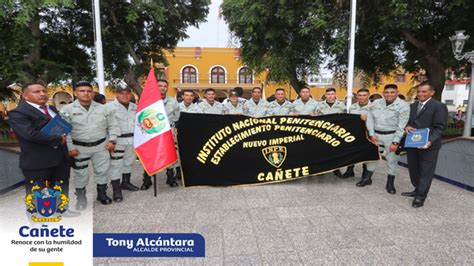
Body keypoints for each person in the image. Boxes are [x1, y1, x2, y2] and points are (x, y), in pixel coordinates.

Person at [9, 83, 78, 216]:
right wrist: (57, 139)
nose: (42, 94)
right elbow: (29, 134)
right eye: (36, 92)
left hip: (60, 158)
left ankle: (62, 209)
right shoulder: (18, 113)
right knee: (37, 191)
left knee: (61, 185)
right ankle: (38, 219)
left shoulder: (51, 108)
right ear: (25, 95)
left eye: (44, 91)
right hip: (38, 162)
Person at [61, 81, 120, 209]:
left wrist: (112, 141)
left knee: (102, 171)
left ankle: (102, 194)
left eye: (89, 91)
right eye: (82, 91)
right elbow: (65, 132)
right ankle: (81, 198)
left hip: (101, 147)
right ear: (76, 93)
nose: (86, 93)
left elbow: (113, 125)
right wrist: (70, 148)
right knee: (80, 173)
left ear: (93, 93)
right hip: (79, 148)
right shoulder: (67, 110)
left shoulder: (104, 108)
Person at [403, 81, 448, 208]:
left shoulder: (438, 106)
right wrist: (407, 127)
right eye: (418, 91)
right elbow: (410, 122)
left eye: (424, 91)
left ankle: (421, 197)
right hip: (413, 143)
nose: (420, 94)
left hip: (429, 145)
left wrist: (430, 141)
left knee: (426, 171)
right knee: (414, 169)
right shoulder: (413, 106)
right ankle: (417, 189)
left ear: (432, 93)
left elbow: (440, 128)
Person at [360, 84, 410, 194]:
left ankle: (390, 183)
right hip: (376, 135)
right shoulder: (376, 103)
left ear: (397, 92)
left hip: (391, 136)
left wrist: (396, 141)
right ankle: (367, 178)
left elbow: (401, 126)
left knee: (392, 160)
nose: (389, 94)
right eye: (387, 92)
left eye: (392, 92)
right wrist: (371, 134)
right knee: (372, 157)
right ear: (383, 93)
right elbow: (370, 119)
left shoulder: (403, 106)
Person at [104, 86, 140, 202]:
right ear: (117, 94)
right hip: (117, 141)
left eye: (127, 93)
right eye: (122, 93)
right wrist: (109, 141)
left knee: (128, 162)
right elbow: (104, 126)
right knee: (116, 165)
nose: (125, 95)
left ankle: (126, 182)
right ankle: (116, 189)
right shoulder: (108, 108)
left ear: (131, 94)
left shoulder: (135, 107)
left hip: (132, 139)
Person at [342, 88, 371, 178]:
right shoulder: (352, 107)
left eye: (364, 95)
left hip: (368, 133)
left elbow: (379, 120)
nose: (362, 97)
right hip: (354, 133)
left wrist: (368, 118)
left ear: (368, 96)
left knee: (366, 153)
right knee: (351, 152)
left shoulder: (374, 107)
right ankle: (350, 170)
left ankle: (365, 173)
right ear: (357, 96)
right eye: (360, 95)